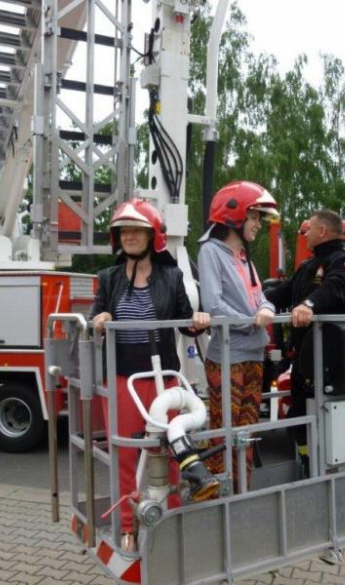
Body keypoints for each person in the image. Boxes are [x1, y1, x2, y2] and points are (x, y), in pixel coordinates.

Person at [91, 198, 218, 552]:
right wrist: (98, 320)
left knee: (170, 449)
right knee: (127, 456)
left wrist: (198, 320)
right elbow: (95, 317)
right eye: (124, 231)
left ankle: (171, 521)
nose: (129, 236)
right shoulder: (108, 278)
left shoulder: (172, 277)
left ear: (152, 236)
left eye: (136, 230)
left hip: (164, 381)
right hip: (121, 379)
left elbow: (185, 323)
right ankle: (129, 526)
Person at [265, 209, 345, 474]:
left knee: (327, 418)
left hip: (330, 360)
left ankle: (332, 469)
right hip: (304, 359)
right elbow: (284, 293)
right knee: (298, 418)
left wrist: (309, 304)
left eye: (309, 229)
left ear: (322, 232)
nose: (305, 234)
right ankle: (309, 464)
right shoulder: (308, 265)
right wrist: (255, 300)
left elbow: (332, 288)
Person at [197, 181, 279, 490]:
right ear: (235, 215)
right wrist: (252, 321)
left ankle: (241, 491)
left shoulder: (243, 256)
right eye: (255, 216)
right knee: (224, 431)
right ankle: (217, 493)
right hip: (227, 357)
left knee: (247, 431)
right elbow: (214, 305)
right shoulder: (211, 252)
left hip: (253, 355)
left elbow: (262, 297)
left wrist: (267, 310)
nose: (259, 224)